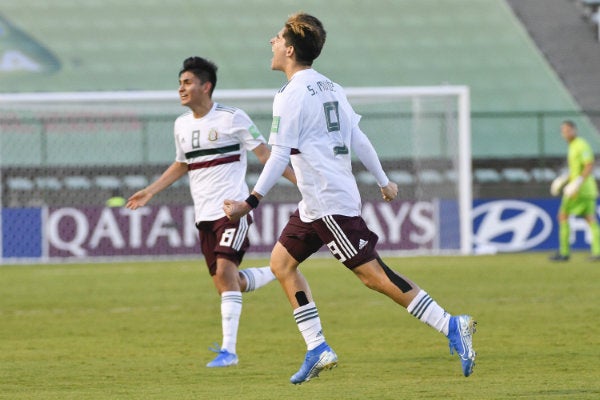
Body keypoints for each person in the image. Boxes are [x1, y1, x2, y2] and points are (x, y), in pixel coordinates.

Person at [223, 13, 476, 384]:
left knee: (374, 277)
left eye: (277, 38)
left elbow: (279, 155)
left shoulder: (290, 96)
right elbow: (358, 137)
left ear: (290, 50)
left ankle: (451, 324)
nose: (271, 42)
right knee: (281, 264)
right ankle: (317, 347)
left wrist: (251, 201)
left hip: (328, 203)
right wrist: (383, 180)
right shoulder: (330, 87)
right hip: (316, 202)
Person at [126, 56, 296, 368]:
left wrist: (302, 182)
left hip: (233, 210)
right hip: (203, 216)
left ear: (207, 86)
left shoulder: (233, 118)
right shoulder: (181, 125)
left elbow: (265, 155)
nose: (181, 88)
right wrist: (150, 190)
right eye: (180, 83)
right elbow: (182, 163)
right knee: (227, 281)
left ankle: (229, 352)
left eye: (187, 82)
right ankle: (275, 271)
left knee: (224, 273)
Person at [549, 120, 600, 261]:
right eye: (563, 131)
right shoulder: (572, 146)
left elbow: (589, 165)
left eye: (567, 130)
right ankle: (597, 252)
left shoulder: (581, 145)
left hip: (579, 190)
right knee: (590, 219)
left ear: (574, 130)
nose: (565, 133)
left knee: (563, 216)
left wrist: (576, 183)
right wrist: (563, 179)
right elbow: (576, 169)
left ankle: (564, 253)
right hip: (588, 190)